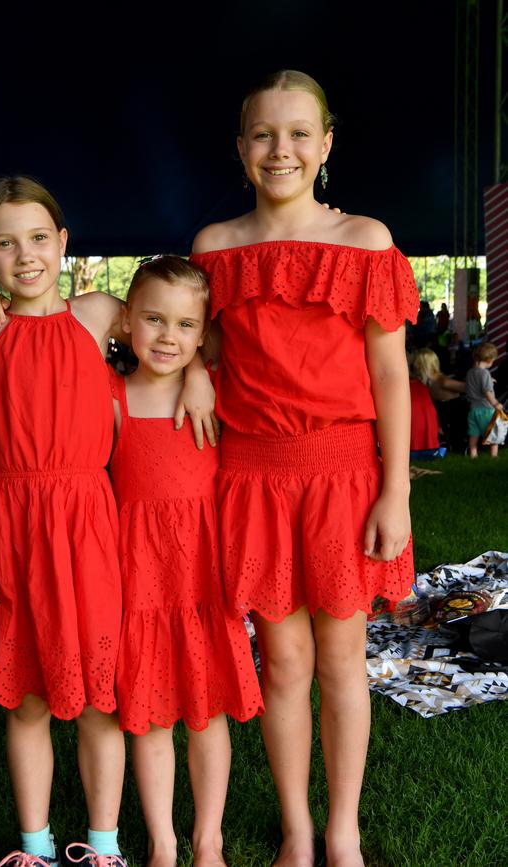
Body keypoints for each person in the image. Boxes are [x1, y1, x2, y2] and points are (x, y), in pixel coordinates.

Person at [189, 71, 418, 867]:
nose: (279, 149)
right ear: (241, 149)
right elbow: (197, 341)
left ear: (325, 145)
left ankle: (343, 829)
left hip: (343, 473)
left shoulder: (366, 240)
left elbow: (390, 373)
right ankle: (294, 828)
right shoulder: (215, 247)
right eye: (262, 134)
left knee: (340, 656)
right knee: (281, 658)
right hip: (250, 473)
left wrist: (395, 489)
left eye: (297, 134)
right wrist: (191, 368)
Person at [0, 176, 214, 867]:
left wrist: (202, 374)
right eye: (5, 243)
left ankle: (103, 844)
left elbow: (175, 323)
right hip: (9, 523)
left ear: (63, 242)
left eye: (39, 237)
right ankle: (34, 846)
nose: (26, 254)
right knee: (28, 696)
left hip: (87, 521)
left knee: (102, 690)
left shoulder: (98, 313)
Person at [109, 256, 263, 867]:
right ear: (126, 322)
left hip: (203, 577)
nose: (167, 336)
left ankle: (208, 839)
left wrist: (200, 370)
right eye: (152, 319)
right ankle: (163, 843)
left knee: (204, 713)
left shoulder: (217, 395)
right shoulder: (109, 396)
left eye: (183, 325)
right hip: (137, 579)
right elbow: (69, 315)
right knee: (147, 718)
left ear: (203, 333)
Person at [411, 347, 466, 451]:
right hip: (454, 410)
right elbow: (466, 388)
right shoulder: (442, 380)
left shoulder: (423, 382)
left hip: (439, 411)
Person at [465, 341, 503, 459]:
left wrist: (488, 380)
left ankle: (473, 454)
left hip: (473, 410)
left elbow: (476, 383)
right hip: (486, 409)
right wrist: (496, 403)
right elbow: (487, 392)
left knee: (474, 434)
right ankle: (494, 456)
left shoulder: (470, 372)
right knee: (494, 434)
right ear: (490, 359)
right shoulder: (485, 373)